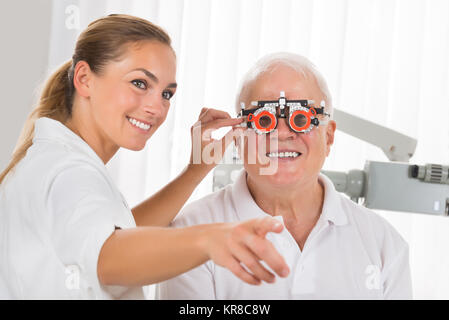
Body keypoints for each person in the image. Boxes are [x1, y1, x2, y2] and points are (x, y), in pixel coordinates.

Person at [0, 15, 290, 299]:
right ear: (84, 79)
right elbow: (108, 257)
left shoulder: (53, 160)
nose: (157, 108)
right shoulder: (68, 171)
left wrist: (195, 171)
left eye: (166, 93)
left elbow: (121, 234)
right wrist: (210, 239)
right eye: (139, 83)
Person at [156, 52, 413, 299]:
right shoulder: (190, 234)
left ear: (329, 136)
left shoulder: (383, 244)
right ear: (238, 137)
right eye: (263, 120)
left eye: (300, 119)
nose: (281, 133)